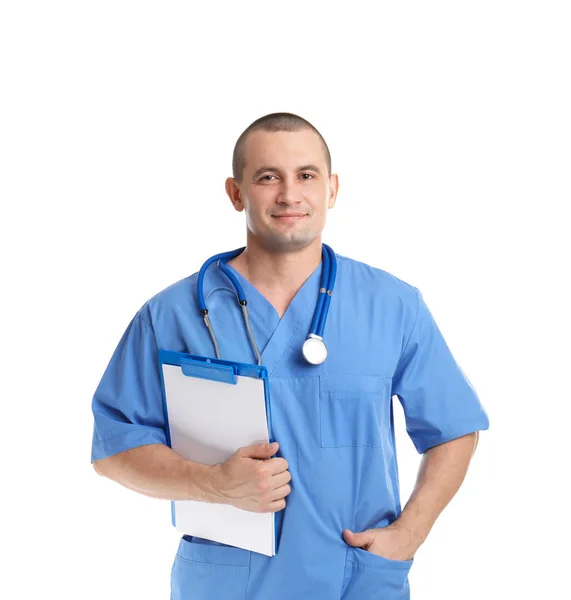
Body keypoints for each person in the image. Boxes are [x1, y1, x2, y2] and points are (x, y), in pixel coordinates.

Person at [91, 112, 490, 599]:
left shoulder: (392, 306)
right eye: (267, 177)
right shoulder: (172, 315)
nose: (289, 194)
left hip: (356, 579)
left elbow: (454, 428)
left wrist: (411, 532)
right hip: (224, 584)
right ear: (235, 193)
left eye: (306, 175)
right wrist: (214, 484)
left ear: (332, 189)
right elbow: (115, 447)